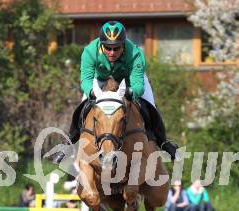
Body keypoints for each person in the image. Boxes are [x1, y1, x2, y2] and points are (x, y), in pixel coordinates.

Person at [53, 20, 179, 164]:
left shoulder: (135, 54)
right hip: (100, 78)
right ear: (101, 44)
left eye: (116, 48)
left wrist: (131, 93)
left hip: (129, 79)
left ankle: (164, 142)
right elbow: (86, 81)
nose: (112, 52)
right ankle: (68, 143)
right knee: (83, 106)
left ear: (123, 45)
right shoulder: (89, 51)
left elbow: (138, 85)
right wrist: (91, 92)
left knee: (150, 105)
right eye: (107, 48)